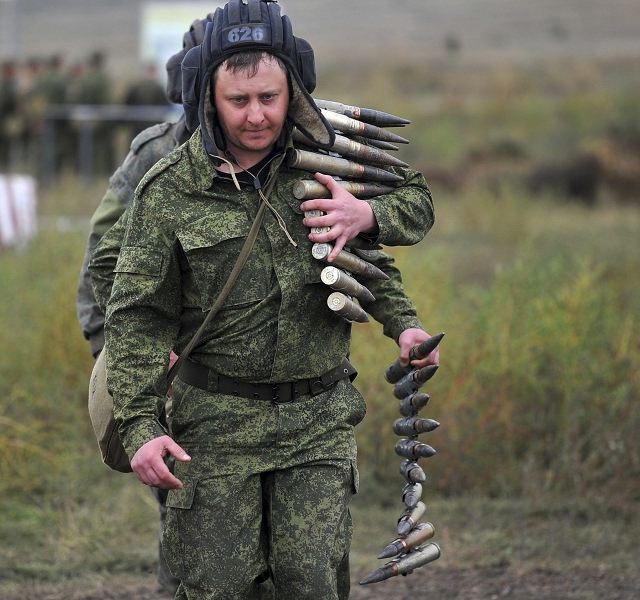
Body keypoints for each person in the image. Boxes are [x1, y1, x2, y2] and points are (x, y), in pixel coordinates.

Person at [94, 2, 438, 597]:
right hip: (214, 431)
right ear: (209, 96)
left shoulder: (332, 158)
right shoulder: (169, 189)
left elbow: (406, 214)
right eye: (238, 101)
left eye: (270, 98)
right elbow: (135, 316)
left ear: (294, 91)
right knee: (219, 588)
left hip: (317, 422)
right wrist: (141, 427)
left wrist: (368, 219)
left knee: (312, 584)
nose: (256, 116)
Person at [76, 16, 211, 597]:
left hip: (252, 371)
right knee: (186, 517)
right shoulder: (158, 155)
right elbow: (100, 267)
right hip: (168, 364)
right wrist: (130, 360)